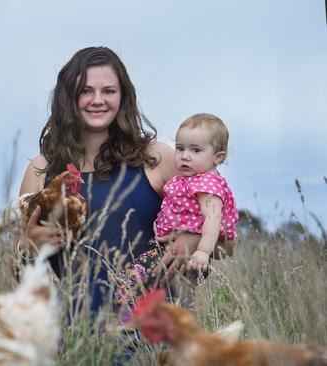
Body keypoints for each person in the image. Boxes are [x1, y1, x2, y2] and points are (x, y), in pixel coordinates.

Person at [17, 46, 178, 313]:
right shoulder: (41, 168)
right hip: (71, 337)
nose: (97, 100)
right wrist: (29, 247)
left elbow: (222, 242)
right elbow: (21, 268)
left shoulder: (157, 158)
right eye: (85, 91)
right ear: (68, 98)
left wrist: (185, 244)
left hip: (147, 331)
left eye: (108, 91)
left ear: (123, 97)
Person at [115, 113, 238, 306]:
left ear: (217, 157)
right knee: (156, 288)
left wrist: (203, 252)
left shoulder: (208, 184)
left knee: (128, 283)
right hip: (168, 247)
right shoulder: (188, 179)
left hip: (187, 252)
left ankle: (122, 309)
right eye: (180, 148)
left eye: (196, 150)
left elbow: (213, 220)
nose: (185, 156)